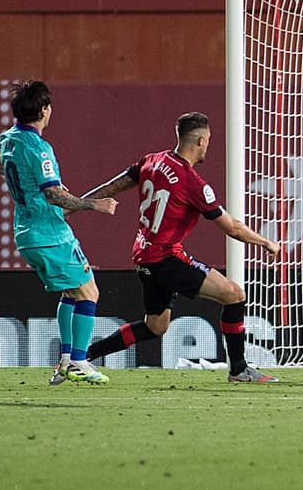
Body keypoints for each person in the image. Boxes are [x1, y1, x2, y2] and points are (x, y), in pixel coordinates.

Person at [80, 112, 282, 383]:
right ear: (200, 140)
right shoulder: (192, 182)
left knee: (155, 326)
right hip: (165, 256)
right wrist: (266, 242)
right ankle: (239, 369)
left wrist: (75, 204)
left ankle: (83, 356)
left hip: (143, 255)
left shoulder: (151, 161)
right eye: (208, 140)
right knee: (234, 294)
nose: (208, 145)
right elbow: (231, 227)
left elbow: (112, 186)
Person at [0, 80, 119, 385]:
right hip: (49, 232)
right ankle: (79, 360)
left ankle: (66, 359)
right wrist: (93, 205)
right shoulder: (39, 148)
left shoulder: (7, 139)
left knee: (71, 292)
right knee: (89, 292)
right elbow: (52, 194)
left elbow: (2, 167)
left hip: (26, 233)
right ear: (43, 110)